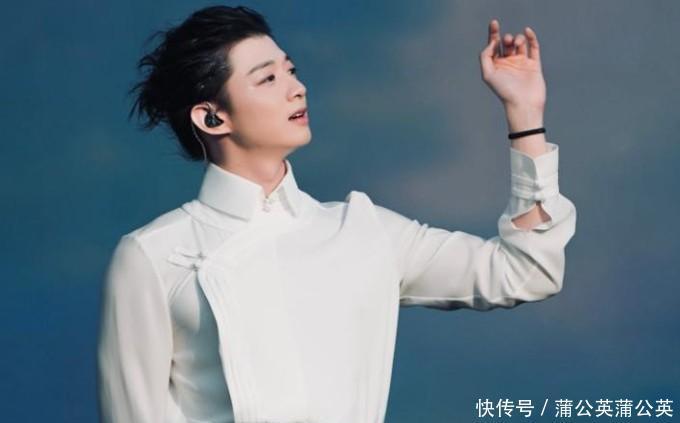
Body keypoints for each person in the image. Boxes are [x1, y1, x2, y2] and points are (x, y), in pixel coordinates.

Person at [97, 5, 577, 423]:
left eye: (290, 70)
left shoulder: (363, 231)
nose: (297, 88)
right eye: (268, 79)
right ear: (212, 117)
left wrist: (524, 116)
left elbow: (525, 272)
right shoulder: (154, 255)